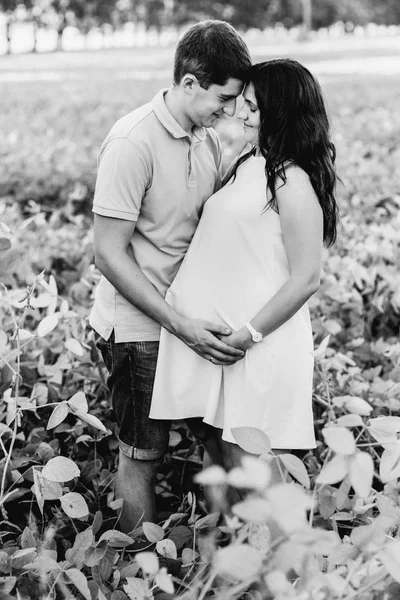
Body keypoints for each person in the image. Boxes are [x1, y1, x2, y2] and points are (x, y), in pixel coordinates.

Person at [89, 20, 252, 533]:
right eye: (222, 98)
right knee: (143, 451)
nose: (227, 111)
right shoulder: (132, 142)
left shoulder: (206, 139)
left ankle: (226, 556)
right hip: (140, 328)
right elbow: (108, 255)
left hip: (191, 321)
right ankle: (132, 566)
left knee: (220, 437)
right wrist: (180, 325)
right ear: (188, 84)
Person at [150, 59, 339, 478]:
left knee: (257, 485)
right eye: (242, 103)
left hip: (259, 347)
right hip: (224, 352)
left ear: (282, 112)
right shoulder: (251, 160)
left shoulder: (291, 179)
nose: (240, 113)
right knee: (226, 473)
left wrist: (248, 335)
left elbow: (307, 277)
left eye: (253, 107)